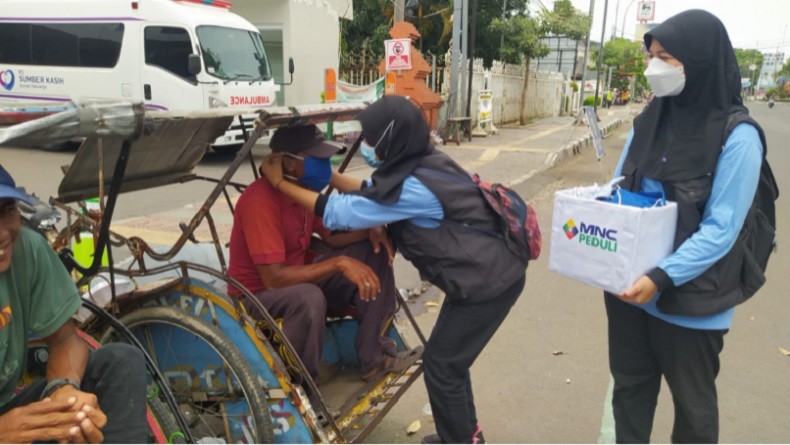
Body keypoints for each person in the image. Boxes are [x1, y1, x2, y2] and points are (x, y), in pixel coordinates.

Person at [260, 96, 528, 444]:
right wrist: (331, 176)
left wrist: (280, 183)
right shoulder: (422, 161)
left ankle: (460, 440)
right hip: (485, 276)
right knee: (448, 362)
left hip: (487, 283)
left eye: (371, 141)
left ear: (389, 139)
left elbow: (341, 212)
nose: (367, 147)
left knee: (444, 365)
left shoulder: (413, 185)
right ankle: (464, 436)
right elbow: (375, 191)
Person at [606, 10, 767, 443]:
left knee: (693, 413)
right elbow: (619, 186)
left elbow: (722, 229)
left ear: (700, 62)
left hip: (693, 300)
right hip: (630, 292)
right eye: (651, 55)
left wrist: (661, 276)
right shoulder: (650, 118)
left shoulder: (738, 138)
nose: (653, 66)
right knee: (630, 392)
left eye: (667, 57)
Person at [227, 125, 421, 384]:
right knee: (309, 297)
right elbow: (273, 278)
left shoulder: (302, 191)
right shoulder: (259, 201)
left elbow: (330, 236)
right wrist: (339, 263)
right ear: (288, 162)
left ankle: (374, 357)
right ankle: (303, 386)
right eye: (316, 159)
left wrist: (370, 233)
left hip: (298, 276)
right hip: (258, 294)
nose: (324, 165)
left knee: (374, 252)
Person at [0, 165, 148, 443]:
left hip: (9, 412)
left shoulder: (28, 250)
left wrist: (64, 390)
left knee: (120, 360)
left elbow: (65, 340)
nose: (2, 234)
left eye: (6, 210)